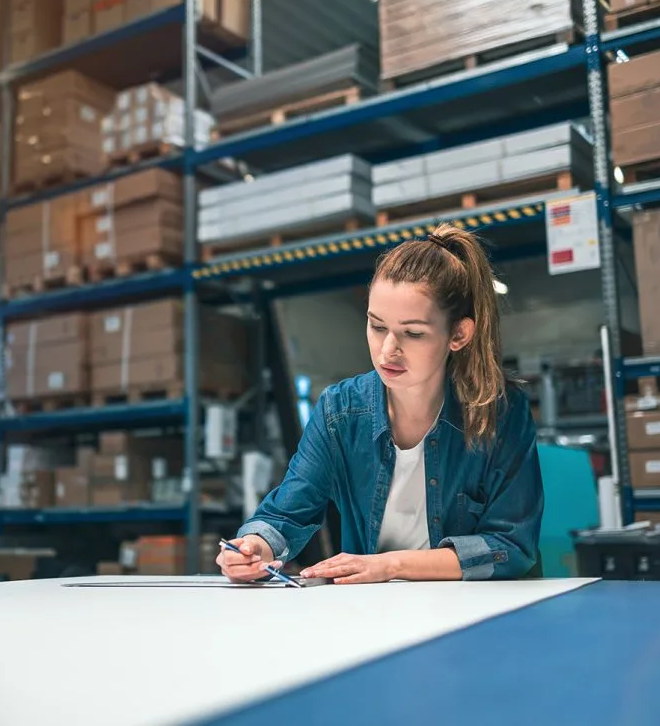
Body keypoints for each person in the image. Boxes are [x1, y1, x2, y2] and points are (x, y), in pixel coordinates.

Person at [217, 223, 544, 584]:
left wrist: (390, 565)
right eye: (377, 326)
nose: (388, 349)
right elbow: (287, 513)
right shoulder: (339, 412)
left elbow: (511, 545)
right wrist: (252, 547)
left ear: (458, 334)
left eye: (413, 333)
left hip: (477, 610)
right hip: (377, 610)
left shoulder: (500, 412)